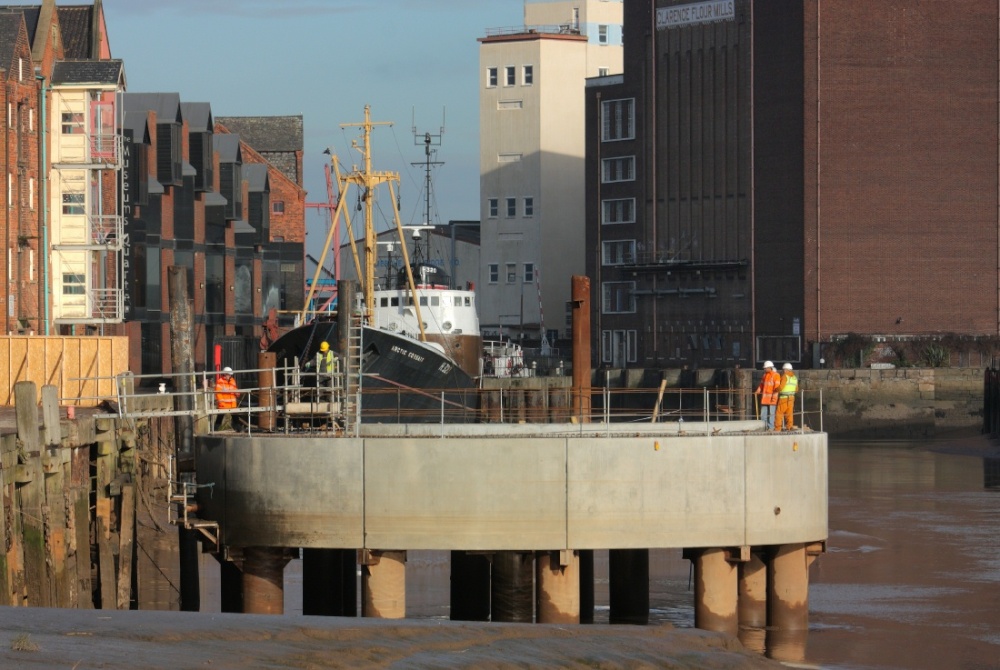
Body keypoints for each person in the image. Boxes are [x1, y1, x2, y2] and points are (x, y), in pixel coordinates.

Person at [754, 360, 781, 430]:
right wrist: (758, 391)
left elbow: (777, 388)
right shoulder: (765, 376)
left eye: (765, 368)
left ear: (770, 367)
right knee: (763, 414)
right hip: (765, 399)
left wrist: (774, 398)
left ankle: (771, 427)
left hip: (772, 399)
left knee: (771, 414)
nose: (764, 369)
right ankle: (764, 427)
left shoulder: (776, 375)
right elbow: (761, 385)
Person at [214, 367, 239, 431]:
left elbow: (234, 389)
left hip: (232, 404)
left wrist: (237, 393)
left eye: (230, 374)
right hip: (224, 404)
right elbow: (218, 393)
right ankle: (215, 430)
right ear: (224, 374)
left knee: (235, 417)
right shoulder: (220, 382)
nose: (229, 376)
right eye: (228, 374)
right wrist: (222, 403)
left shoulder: (232, 381)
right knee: (220, 417)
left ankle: (238, 429)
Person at [776, 362, 798, 431]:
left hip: (784, 398)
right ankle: (789, 426)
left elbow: (781, 387)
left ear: (786, 370)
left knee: (779, 413)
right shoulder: (794, 378)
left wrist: (775, 390)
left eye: (784, 370)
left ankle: (778, 428)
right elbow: (797, 389)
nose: (783, 371)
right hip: (792, 398)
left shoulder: (785, 376)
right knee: (789, 413)